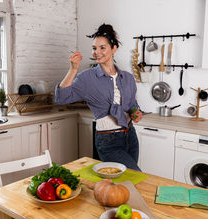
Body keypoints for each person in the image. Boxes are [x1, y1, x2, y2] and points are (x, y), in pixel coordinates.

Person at [55, 23, 143, 171]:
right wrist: (73, 69)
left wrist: (136, 112)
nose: (97, 52)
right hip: (109, 141)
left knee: (125, 184)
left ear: (114, 49)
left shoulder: (127, 77)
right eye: (94, 48)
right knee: (136, 176)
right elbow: (61, 98)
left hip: (130, 136)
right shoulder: (87, 78)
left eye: (102, 48)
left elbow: (132, 104)